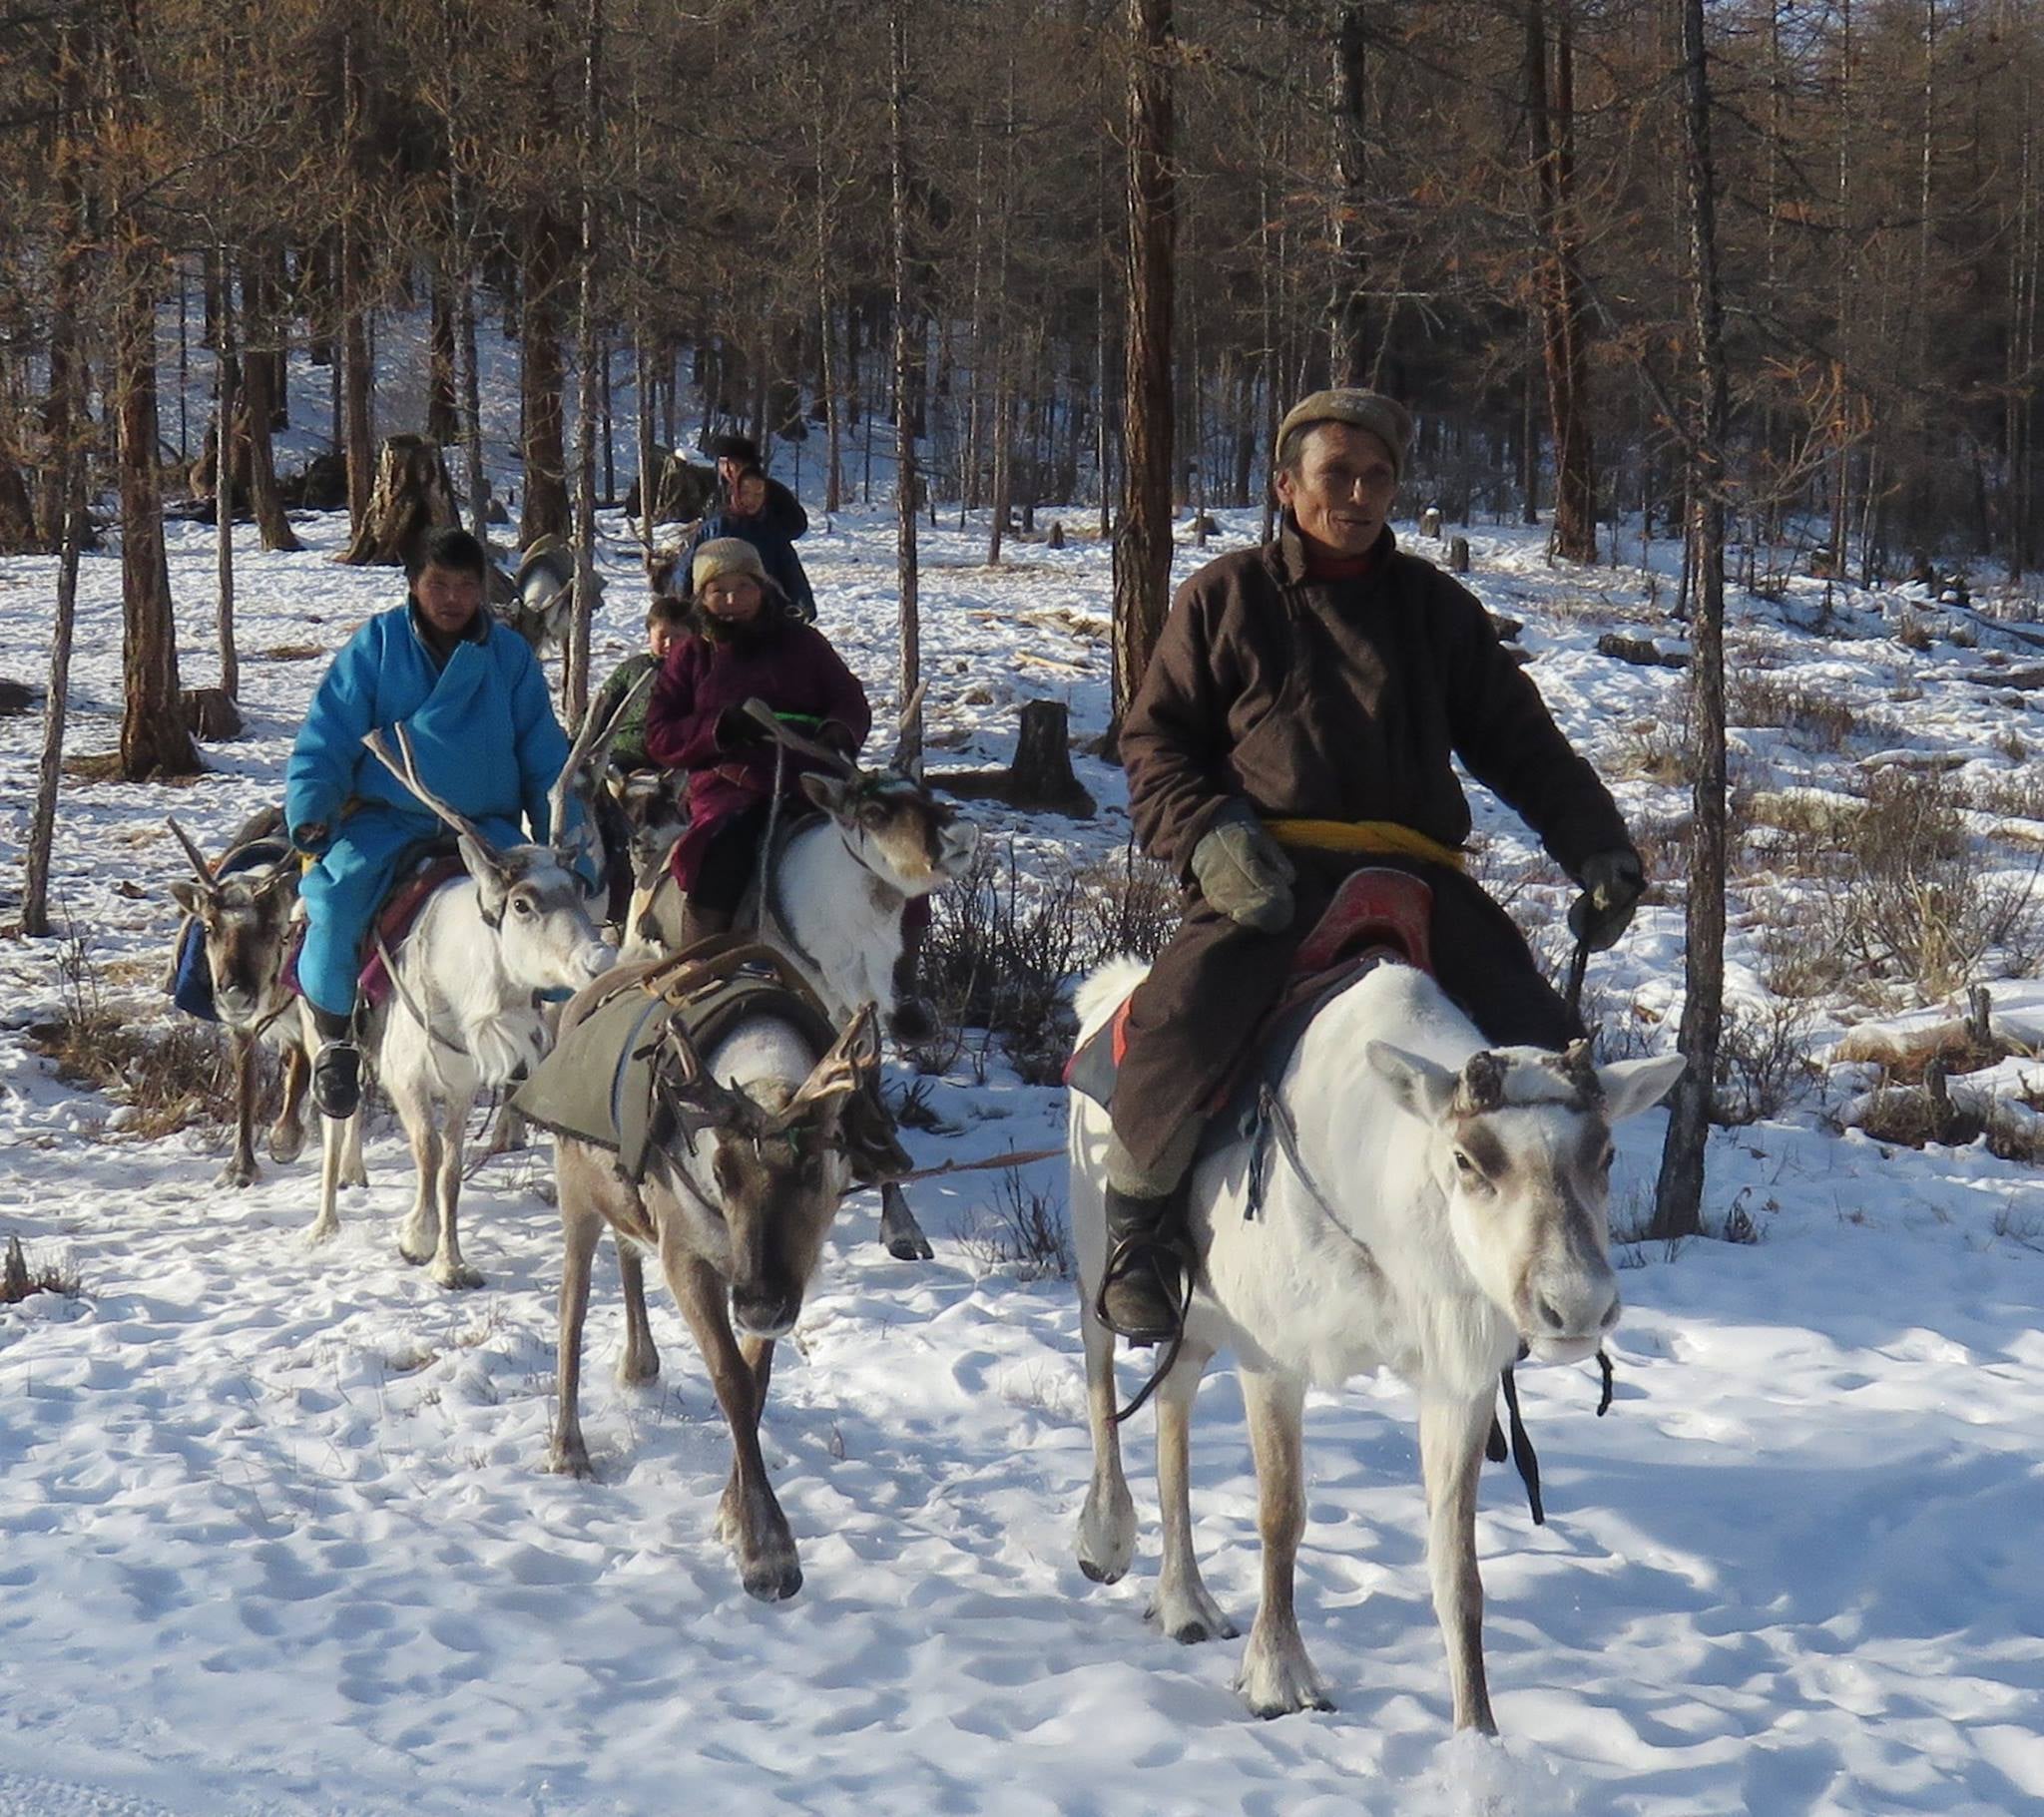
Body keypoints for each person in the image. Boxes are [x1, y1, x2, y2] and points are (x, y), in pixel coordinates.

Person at [1097, 388, 1647, 1346]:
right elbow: (1156, 743)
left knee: (1540, 1041)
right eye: (1335, 475)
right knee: (1186, 1015)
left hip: (1420, 876)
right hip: (1271, 870)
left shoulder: (1436, 611)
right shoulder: (1225, 598)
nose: (1357, 494)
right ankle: (1141, 1232)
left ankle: (1539, 1255)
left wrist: (1595, 842)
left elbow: (1523, 743)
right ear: (1285, 485)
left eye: (1377, 476)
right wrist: (1211, 835)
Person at [284, 527, 583, 1120]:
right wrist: (313, 807)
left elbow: (545, 755)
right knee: (337, 904)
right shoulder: (376, 646)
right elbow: (328, 735)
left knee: (550, 909)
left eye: (466, 586)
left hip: (485, 833)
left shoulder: (509, 658)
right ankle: (338, 1041)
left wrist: (568, 833)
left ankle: (537, 1039)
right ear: (413, 586)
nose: (451, 598)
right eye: (437, 584)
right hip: (389, 822)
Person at [643, 538, 869, 948]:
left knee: (884, 847)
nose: (732, 600)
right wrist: (720, 727)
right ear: (701, 597)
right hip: (732, 788)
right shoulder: (692, 655)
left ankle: (900, 983)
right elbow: (660, 733)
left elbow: (849, 699)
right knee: (722, 858)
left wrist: (837, 731)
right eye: (718, 591)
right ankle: (703, 963)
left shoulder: (804, 644)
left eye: (743, 587)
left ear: (762, 587)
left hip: (811, 783)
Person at [687, 465, 817, 622]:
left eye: (758, 494)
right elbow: (687, 569)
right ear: (733, 492)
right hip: (717, 611)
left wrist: (804, 605)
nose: (751, 500)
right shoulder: (714, 528)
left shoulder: (771, 530)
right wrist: (681, 607)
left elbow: (790, 572)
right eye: (745, 493)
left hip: (762, 612)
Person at [707, 432, 807, 541]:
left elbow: (797, 525)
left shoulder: (773, 491)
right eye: (722, 464)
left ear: (748, 465)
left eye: (734, 464)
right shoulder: (718, 495)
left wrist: (761, 529)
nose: (727, 470)